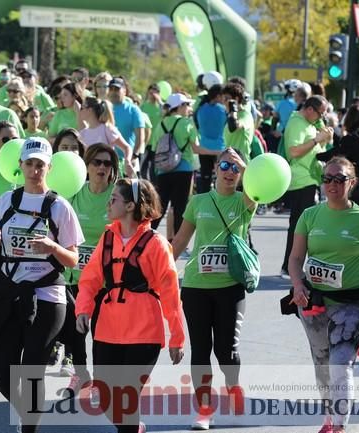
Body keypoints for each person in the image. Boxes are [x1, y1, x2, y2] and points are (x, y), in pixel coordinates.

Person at [0, 137, 84, 433]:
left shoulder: (59, 206)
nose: (34, 170)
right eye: (29, 164)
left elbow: (73, 259)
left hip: (48, 297)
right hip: (9, 295)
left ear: (49, 168)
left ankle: (29, 427)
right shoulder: (7, 201)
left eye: (40, 165)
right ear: (21, 166)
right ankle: (28, 413)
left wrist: (52, 247)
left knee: (33, 368)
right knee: (2, 370)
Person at [76, 178, 185, 433]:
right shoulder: (107, 237)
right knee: (104, 398)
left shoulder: (156, 243)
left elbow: (171, 294)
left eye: (114, 198)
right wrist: (83, 309)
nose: (109, 202)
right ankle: (134, 428)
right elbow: (90, 278)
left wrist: (177, 338)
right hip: (107, 329)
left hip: (144, 332)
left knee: (126, 399)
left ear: (130, 206)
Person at [171, 147, 256, 430]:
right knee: (201, 350)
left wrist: (245, 167)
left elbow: (256, 185)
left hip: (230, 286)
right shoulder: (198, 201)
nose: (230, 172)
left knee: (226, 351)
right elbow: (182, 239)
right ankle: (204, 409)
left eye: (236, 168)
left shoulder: (246, 201)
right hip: (196, 285)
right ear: (215, 169)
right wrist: (161, 266)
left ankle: (232, 386)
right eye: (225, 166)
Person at [288, 156, 359, 433]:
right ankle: (330, 417)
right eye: (327, 179)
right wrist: (298, 285)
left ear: (352, 182)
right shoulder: (310, 215)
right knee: (323, 364)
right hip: (314, 303)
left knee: (340, 363)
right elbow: (295, 258)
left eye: (340, 179)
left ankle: (338, 425)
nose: (332, 184)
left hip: (352, 304)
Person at [57, 143, 118, 385]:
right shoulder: (74, 193)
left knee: (102, 334)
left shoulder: (117, 194)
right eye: (97, 162)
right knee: (75, 330)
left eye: (107, 163)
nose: (102, 167)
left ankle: (102, 380)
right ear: (86, 166)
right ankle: (80, 375)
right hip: (75, 276)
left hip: (106, 278)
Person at [149, 93, 219, 241]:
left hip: (163, 170)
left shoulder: (161, 124)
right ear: (179, 107)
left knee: (159, 207)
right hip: (183, 171)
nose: (189, 107)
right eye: (187, 104)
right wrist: (216, 152)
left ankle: (145, 237)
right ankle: (177, 243)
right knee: (180, 208)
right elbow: (196, 149)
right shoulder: (187, 123)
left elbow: (154, 148)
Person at [280, 95, 334, 278]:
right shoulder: (297, 122)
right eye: (320, 113)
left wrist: (324, 139)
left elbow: (317, 150)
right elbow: (294, 151)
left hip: (310, 179)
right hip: (301, 180)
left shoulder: (309, 123)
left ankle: (292, 266)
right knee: (299, 226)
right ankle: (289, 266)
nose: (321, 117)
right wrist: (317, 140)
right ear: (309, 109)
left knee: (303, 226)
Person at [316, 103, 359, 209]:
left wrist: (315, 151)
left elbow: (332, 156)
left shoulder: (352, 139)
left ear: (350, 119)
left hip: (357, 189)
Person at [78, 96, 134, 176]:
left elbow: (126, 147)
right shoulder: (82, 133)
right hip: (91, 176)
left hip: (108, 175)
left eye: (81, 108)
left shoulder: (106, 129)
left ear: (89, 110)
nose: (80, 111)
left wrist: (127, 162)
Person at [195, 84, 227, 193]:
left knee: (205, 179)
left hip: (204, 148)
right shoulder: (224, 110)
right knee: (222, 178)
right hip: (220, 149)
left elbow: (197, 126)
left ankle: (205, 203)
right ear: (218, 96)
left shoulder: (200, 109)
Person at [108, 77, 145, 163]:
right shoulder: (103, 108)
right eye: (111, 89)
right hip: (107, 161)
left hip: (127, 160)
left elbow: (140, 137)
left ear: (124, 91)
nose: (113, 92)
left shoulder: (133, 110)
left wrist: (134, 155)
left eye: (117, 89)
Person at [222, 82, 255, 163]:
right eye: (223, 99)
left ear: (236, 99)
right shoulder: (231, 116)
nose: (224, 102)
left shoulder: (245, 115)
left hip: (241, 162)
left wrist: (232, 109)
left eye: (226, 99)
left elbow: (233, 127)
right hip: (229, 161)